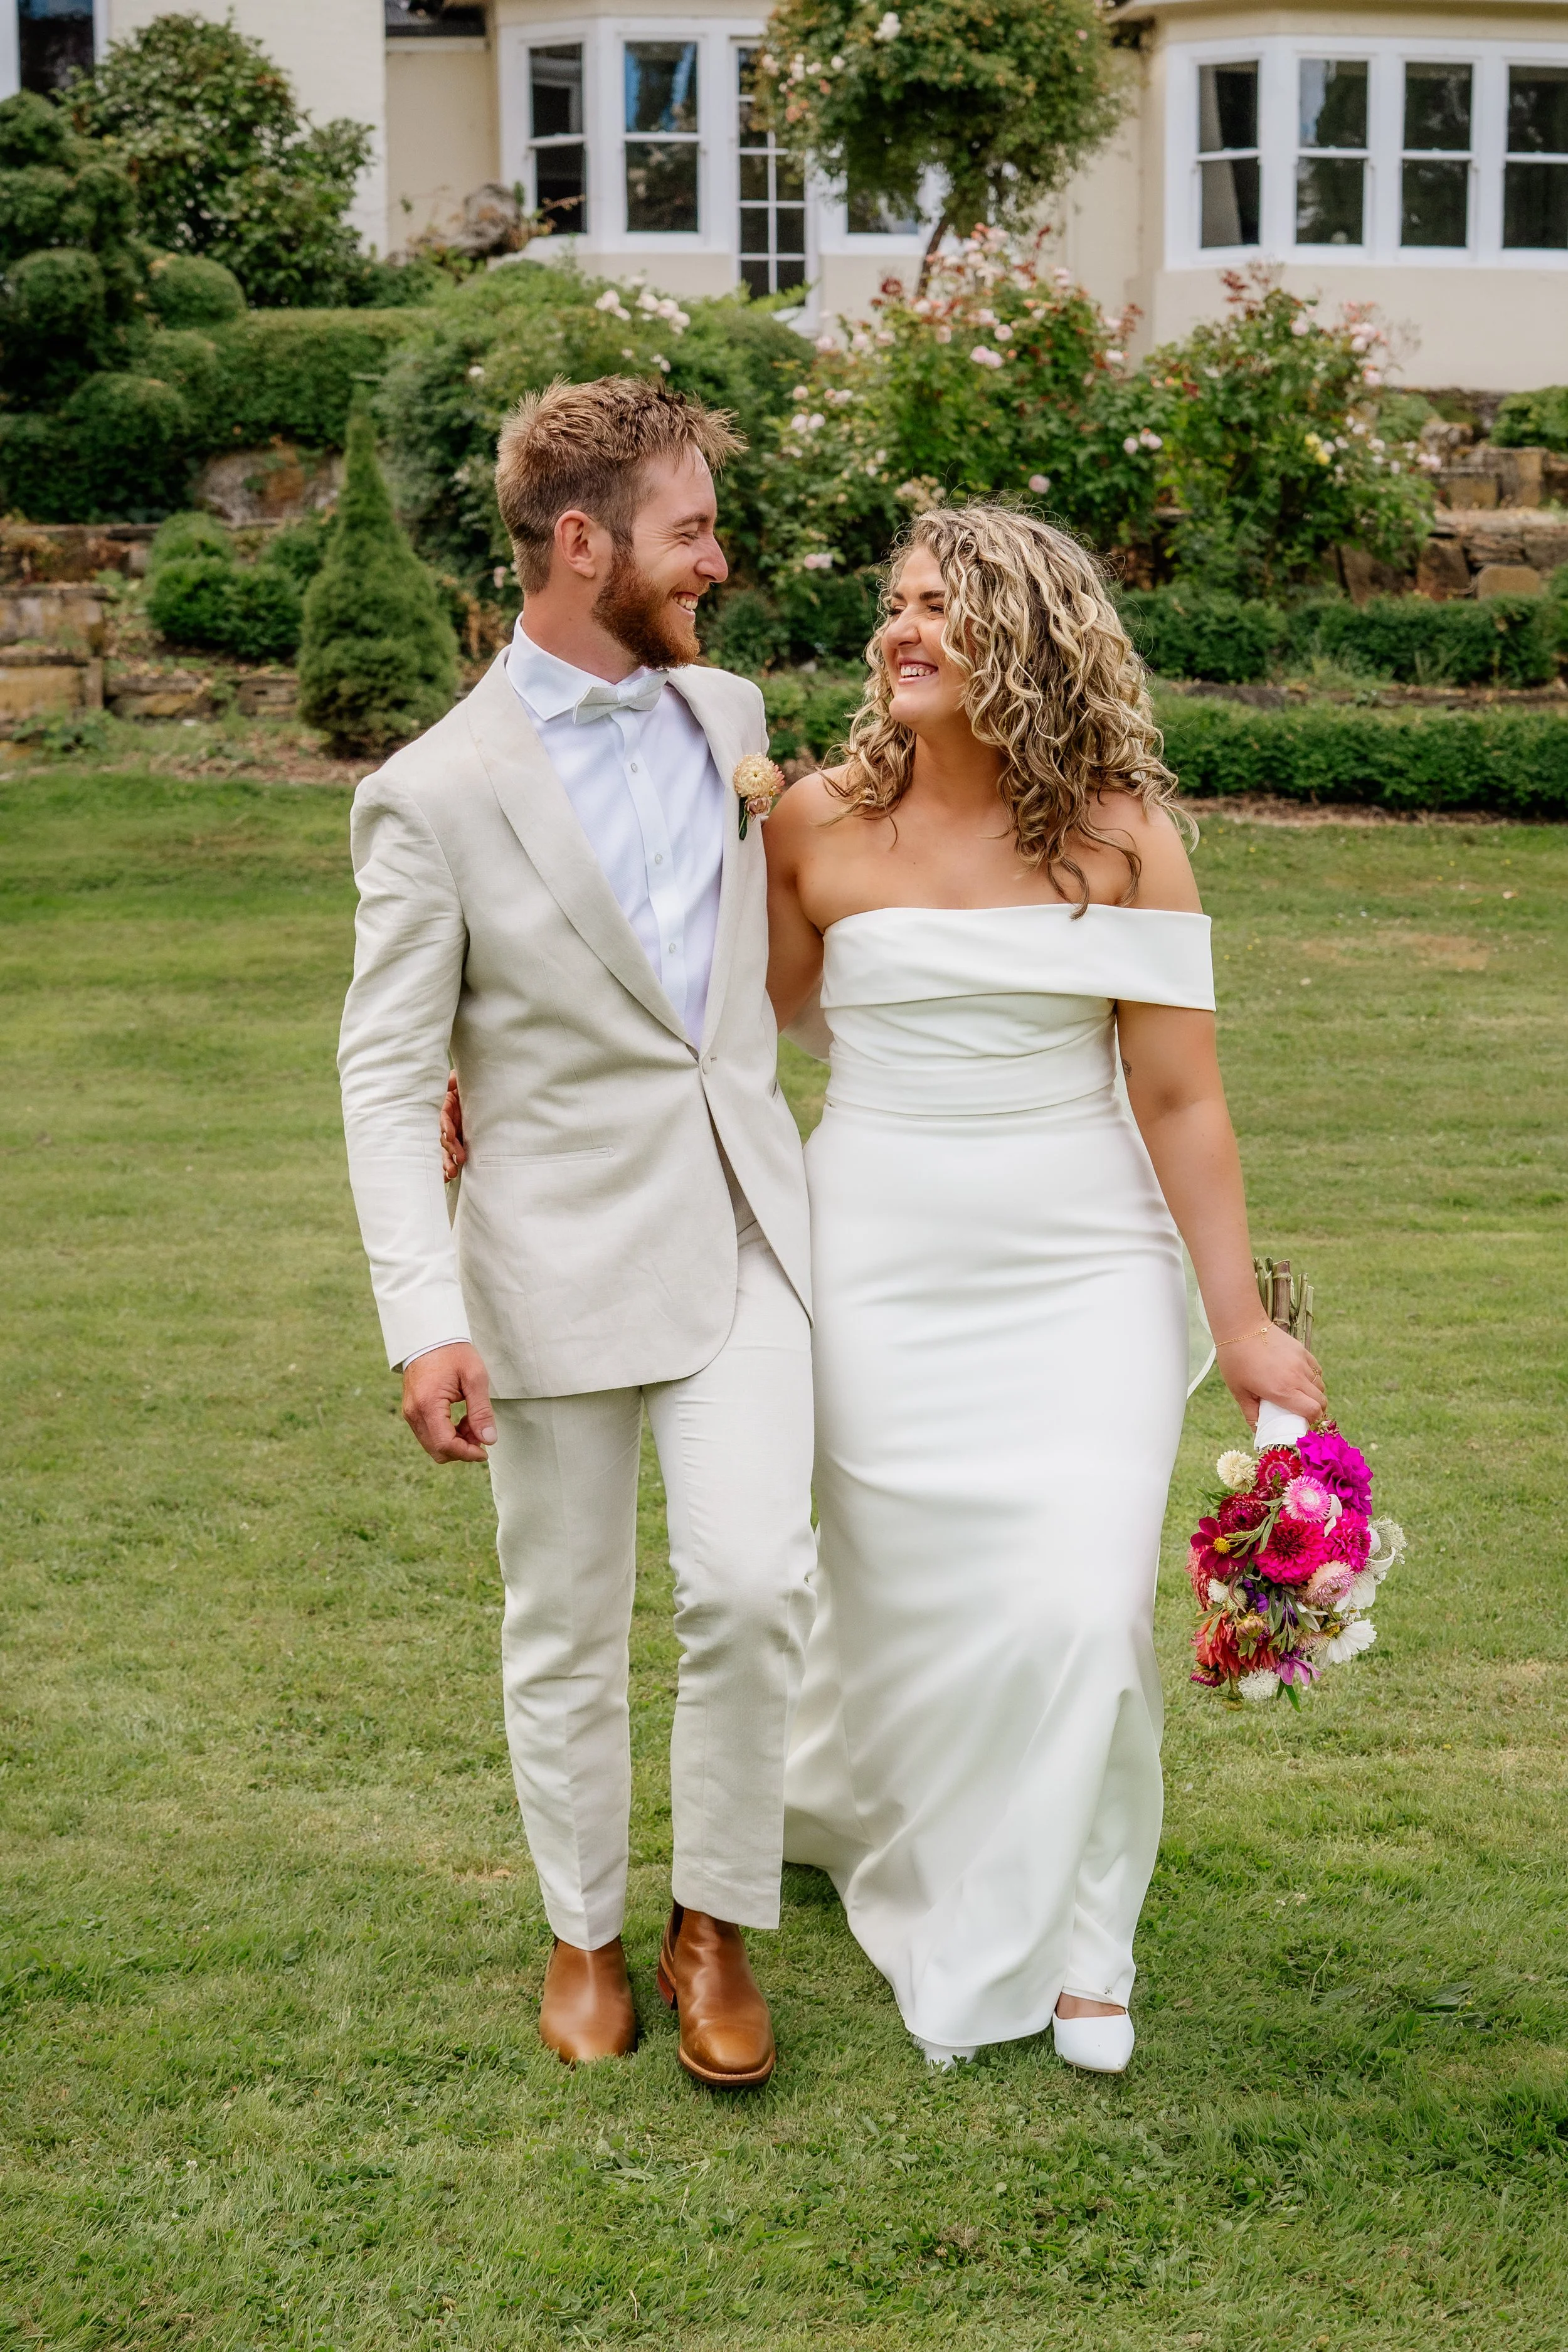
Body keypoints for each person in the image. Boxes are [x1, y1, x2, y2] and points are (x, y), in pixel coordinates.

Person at [765, 504, 1325, 2074]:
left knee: (1082, 1610)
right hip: (872, 1258)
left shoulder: (1123, 836)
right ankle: (903, 1822)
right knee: (909, 1603)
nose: (902, 628)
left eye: (939, 604)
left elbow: (1177, 1100)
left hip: (1084, 1261)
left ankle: (1087, 1940)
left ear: (1025, 631)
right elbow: (730, 1045)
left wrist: (1240, 1326)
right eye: (892, 604)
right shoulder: (805, 825)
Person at [337, 378, 817, 2090]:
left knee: (756, 1581)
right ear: (579, 541)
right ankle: (581, 1926)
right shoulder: (431, 794)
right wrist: (422, 1314)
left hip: (750, 1225)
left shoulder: (732, 711)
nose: (716, 558)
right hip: (540, 1259)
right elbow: (388, 1076)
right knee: (561, 1613)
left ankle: (717, 1918)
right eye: (688, 530)